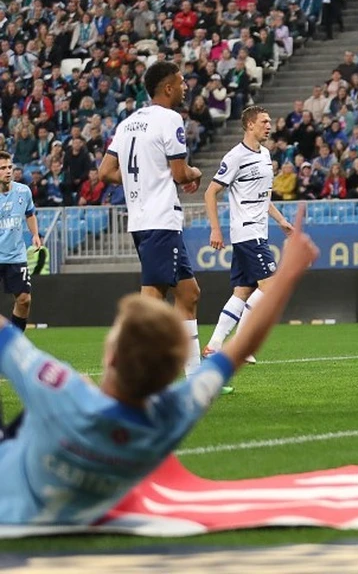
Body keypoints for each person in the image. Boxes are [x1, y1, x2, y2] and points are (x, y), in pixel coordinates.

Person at [0, 204, 319, 525]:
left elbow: (5, 337)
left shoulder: (61, 392)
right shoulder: (170, 418)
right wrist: (289, 273)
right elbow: (241, 347)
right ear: (170, 373)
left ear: (111, 356)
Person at [99, 61, 205, 379]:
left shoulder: (128, 123)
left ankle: (196, 375)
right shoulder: (170, 119)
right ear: (168, 87)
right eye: (182, 82)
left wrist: (139, 181)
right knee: (153, 298)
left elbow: (104, 172)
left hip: (142, 219)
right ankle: (127, 372)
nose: (186, 86)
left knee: (188, 294)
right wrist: (196, 173)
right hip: (160, 219)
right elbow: (180, 173)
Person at [202, 106, 294, 366]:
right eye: (264, 122)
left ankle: (214, 345)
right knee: (271, 286)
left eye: (269, 122)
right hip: (246, 231)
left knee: (243, 291)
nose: (269, 126)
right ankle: (239, 347)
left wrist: (282, 221)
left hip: (258, 231)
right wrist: (215, 228)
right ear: (250, 125)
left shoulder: (265, 154)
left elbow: (263, 197)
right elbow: (210, 193)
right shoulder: (235, 157)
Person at [0, 151, 42, 332]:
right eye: (2, 168)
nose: (8, 171)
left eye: (9, 167)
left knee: (24, 300)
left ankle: (15, 343)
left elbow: (30, 213)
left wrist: (35, 234)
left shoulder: (23, 191)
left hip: (16, 256)